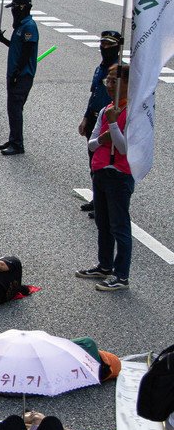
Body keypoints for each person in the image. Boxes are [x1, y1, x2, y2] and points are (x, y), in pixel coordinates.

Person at [77, 63, 133, 291]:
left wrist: (113, 125)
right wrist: (103, 138)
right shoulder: (106, 109)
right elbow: (92, 142)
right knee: (103, 222)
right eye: (107, 81)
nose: (109, 86)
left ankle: (121, 276)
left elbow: (124, 147)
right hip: (100, 171)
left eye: (114, 81)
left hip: (120, 175)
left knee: (120, 226)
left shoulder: (132, 111)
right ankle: (104, 264)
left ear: (128, 84)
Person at [0, 0, 39, 155]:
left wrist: (17, 74)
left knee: (15, 108)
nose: (12, 12)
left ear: (21, 8)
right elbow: (16, 47)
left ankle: (18, 144)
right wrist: (3, 40)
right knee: (12, 109)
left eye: (14, 8)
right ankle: (13, 139)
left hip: (22, 76)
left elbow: (26, 53)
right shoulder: (21, 25)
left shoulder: (29, 27)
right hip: (15, 74)